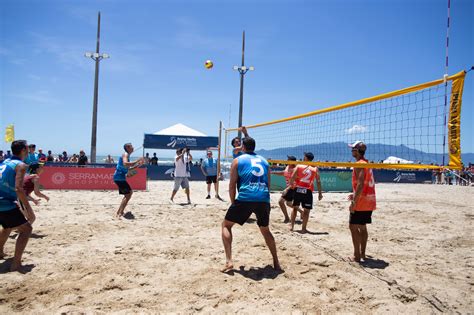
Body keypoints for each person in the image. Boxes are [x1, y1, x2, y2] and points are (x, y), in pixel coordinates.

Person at [221, 137, 281, 272]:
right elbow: (268, 184)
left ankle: (229, 261)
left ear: (242, 147)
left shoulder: (237, 160)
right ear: (255, 147)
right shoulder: (265, 161)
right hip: (263, 198)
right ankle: (276, 263)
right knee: (265, 230)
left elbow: (232, 185)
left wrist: (233, 202)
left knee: (226, 225)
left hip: (245, 197)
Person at [0, 140, 35, 272]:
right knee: (26, 230)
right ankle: (16, 264)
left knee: (7, 226)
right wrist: (28, 209)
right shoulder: (20, 165)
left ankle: (0, 252)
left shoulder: (4, 162)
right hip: (4, 202)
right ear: (23, 150)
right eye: (26, 149)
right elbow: (19, 189)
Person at [347, 141, 376, 263]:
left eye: (353, 149)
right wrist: (354, 194)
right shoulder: (367, 163)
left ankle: (356, 256)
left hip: (361, 201)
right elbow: (363, 183)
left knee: (353, 227)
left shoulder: (359, 164)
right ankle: (362, 254)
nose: (351, 151)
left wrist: (354, 201)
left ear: (357, 151)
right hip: (370, 200)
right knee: (362, 228)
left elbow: (360, 183)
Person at [289, 152, 323, 233]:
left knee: (295, 208)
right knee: (306, 211)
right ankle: (303, 228)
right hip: (308, 190)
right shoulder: (315, 169)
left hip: (298, 189)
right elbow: (318, 181)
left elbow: (292, 178)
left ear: (305, 158)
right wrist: (320, 193)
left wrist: (292, 186)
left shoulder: (299, 166)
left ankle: (292, 227)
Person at [113, 143, 144, 218]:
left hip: (119, 177)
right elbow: (125, 163)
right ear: (127, 147)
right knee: (128, 194)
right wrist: (137, 161)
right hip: (119, 177)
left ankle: (119, 212)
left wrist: (138, 165)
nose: (133, 147)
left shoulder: (127, 155)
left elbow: (128, 168)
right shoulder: (125, 154)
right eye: (131, 146)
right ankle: (120, 213)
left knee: (128, 194)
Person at [272, 155, 301, 223]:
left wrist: (287, 189)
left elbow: (295, 182)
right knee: (288, 203)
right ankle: (301, 212)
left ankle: (287, 218)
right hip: (290, 188)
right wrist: (273, 172)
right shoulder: (287, 167)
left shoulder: (295, 169)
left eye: (288, 159)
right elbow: (283, 173)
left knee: (281, 202)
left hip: (293, 188)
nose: (286, 160)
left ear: (292, 161)